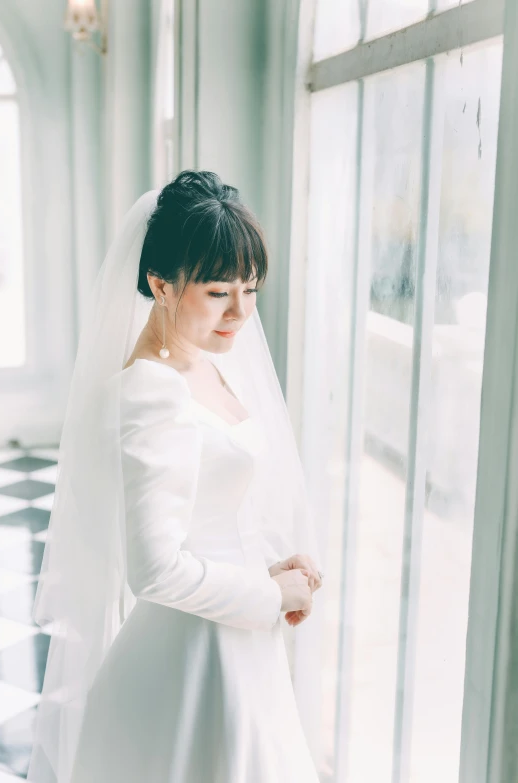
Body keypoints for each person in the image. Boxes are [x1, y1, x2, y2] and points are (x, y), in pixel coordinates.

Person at [27, 170, 324, 783]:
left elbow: (205, 512)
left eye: (251, 288)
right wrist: (272, 595)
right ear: (161, 286)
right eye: (219, 292)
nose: (240, 312)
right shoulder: (150, 392)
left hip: (238, 643)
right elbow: (156, 569)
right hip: (194, 663)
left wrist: (269, 569)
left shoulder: (206, 362)